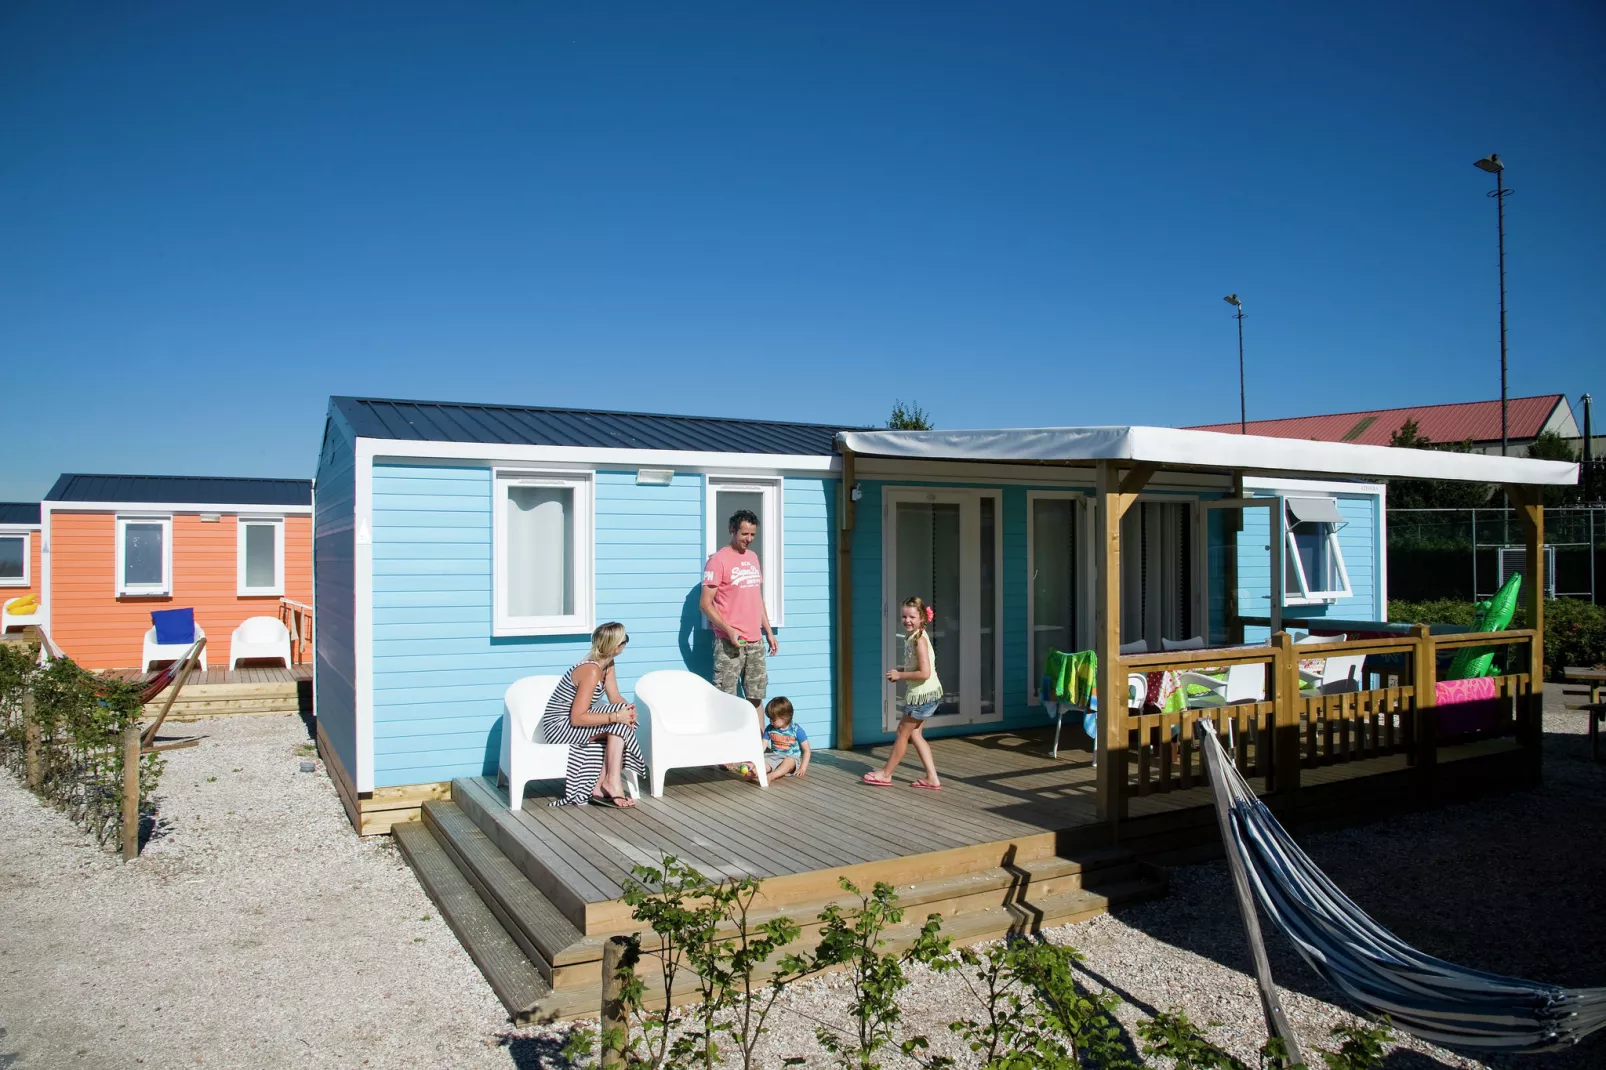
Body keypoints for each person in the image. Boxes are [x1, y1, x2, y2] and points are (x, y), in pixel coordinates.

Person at [539, 622, 646, 807]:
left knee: (623, 719)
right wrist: (615, 717)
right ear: (615, 646)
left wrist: (627, 710)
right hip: (560, 726)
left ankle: (602, 784)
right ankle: (611, 782)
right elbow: (577, 717)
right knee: (618, 722)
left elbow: (614, 697)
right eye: (625, 639)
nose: (626, 643)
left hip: (573, 722)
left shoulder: (608, 664)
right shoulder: (590, 670)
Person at [862, 596, 944, 790]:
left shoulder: (919, 641)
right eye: (904, 616)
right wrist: (903, 672)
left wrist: (900, 674)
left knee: (902, 732)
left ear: (922, 617)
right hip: (929, 693)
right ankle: (932, 778)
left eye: (912, 617)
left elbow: (925, 673)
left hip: (922, 695)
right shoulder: (916, 635)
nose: (907, 620)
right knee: (915, 734)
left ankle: (885, 774)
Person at [700, 508, 778, 708]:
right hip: (729, 641)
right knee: (726, 699)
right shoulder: (717, 561)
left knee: (756, 697)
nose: (749, 538)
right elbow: (705, 604)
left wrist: (768, 632)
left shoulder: (752, 557)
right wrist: (729, 630)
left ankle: (758, 740)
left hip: (755, 640)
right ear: (732, 530)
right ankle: (727, 739)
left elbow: (756, 598)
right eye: (745, 534)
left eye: (753, 534)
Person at [740, 696, 811, 781]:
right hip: (774, 756)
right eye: (770, 719)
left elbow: (807, 750)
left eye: (773, 719)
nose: (770, 722)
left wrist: (802, 768)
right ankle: (754, 772)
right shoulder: (770, 729)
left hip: (791, 757)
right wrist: (753, 761)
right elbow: (762, 747)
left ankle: (771, 776)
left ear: (785, 717)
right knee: (765, 763)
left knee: (788, 762)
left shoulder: (796, 730)